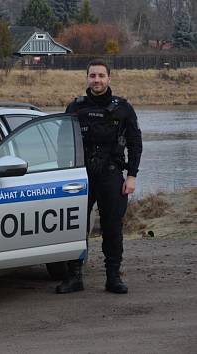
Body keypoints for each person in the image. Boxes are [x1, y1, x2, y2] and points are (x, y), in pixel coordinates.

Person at [57, 59, 143, 294]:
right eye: (92, 76)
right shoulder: (75, 107)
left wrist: (132, 176)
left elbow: (135, 144)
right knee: (74, 227)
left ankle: (113, 277)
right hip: (80, 177)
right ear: (87, 78)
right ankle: (74, 276)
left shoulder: (123, 108)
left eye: (101, 76)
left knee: (112, 227)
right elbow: (62, 144)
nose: (96, 80)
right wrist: (61, 174)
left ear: (109, 78)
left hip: (112, 175)